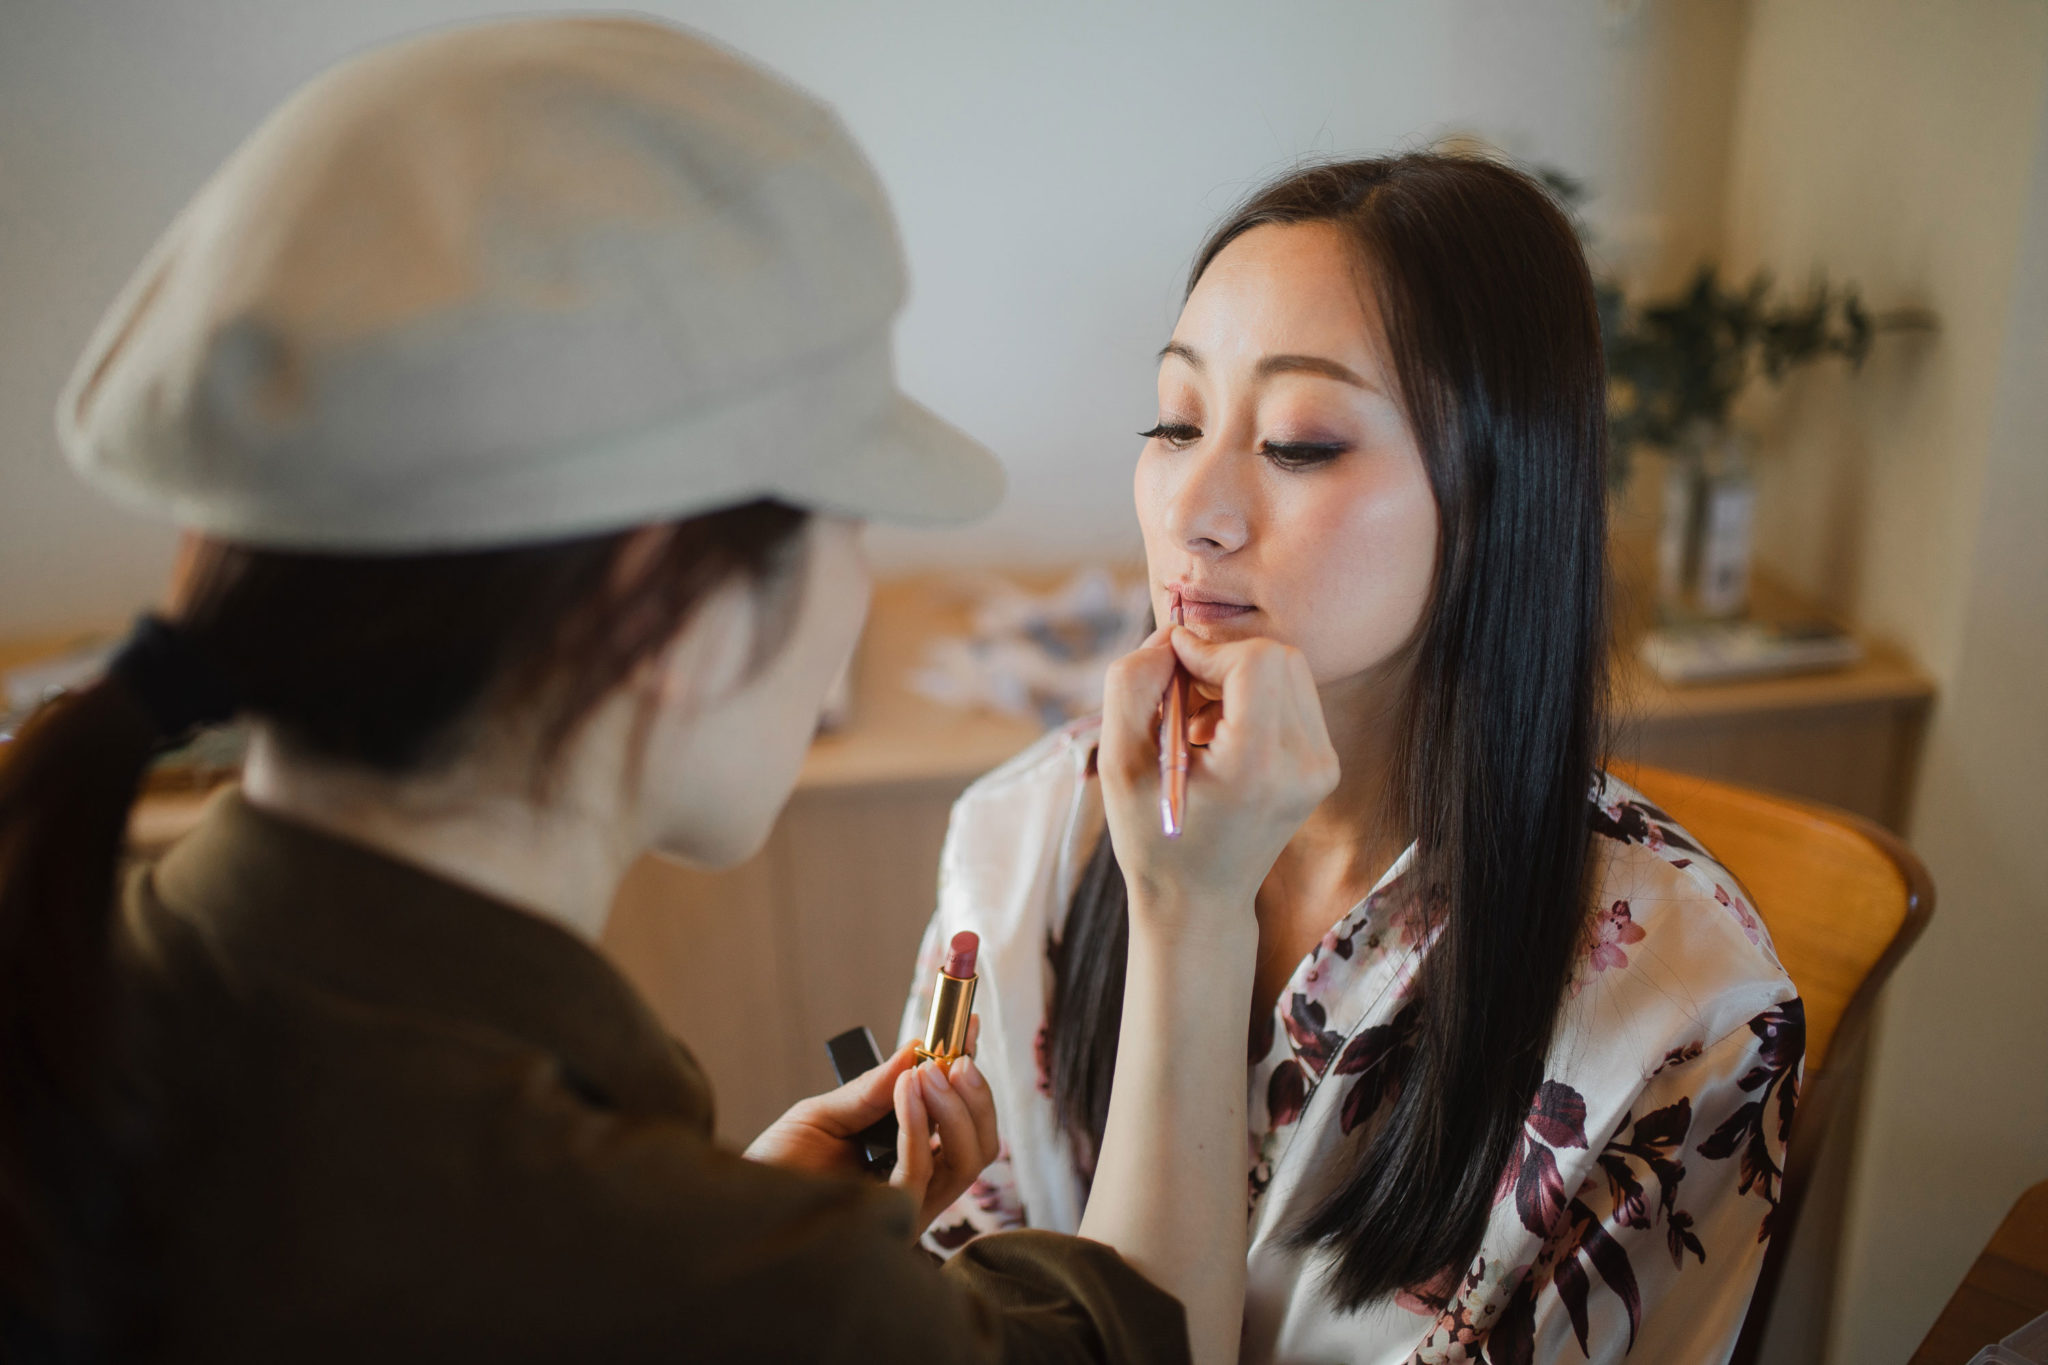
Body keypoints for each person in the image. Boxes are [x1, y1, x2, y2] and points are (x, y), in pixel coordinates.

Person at [0, 18, 1331, 1364]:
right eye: (854, 521)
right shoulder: (695, 1279)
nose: (1205, 508)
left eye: (1303, 443)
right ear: (665, 606)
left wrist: (737, 1233)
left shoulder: (73, 967)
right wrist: (1192, 908)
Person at [901, 156, 1805, 1364]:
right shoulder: (1024, 837)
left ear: (1496, 492)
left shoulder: (1688, 1020)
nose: (1194, 509)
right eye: (1174, 421)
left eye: (1300, 443)